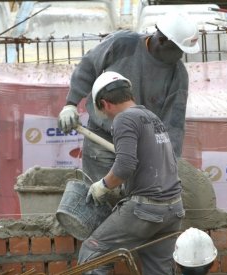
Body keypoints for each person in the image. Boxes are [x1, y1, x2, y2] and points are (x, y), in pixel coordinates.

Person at [57, 11, 199, 197]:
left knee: (132, 205)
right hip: (102, 137)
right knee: (97, 199)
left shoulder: (177, 76)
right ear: (162, 40)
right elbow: (88, 67)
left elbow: (173, 126)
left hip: (141, 148)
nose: (181, 56)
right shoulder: (123, 44)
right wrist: (70, 104)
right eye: (178, 49)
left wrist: (167, 165)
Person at [78, 71, 185, 275]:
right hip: (173, 210)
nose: (107, 117)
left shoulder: (123, 119)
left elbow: (125, 165)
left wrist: (103, 185)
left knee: (92, 251)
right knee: (159, 269)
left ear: (105, 103)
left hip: (146, 209)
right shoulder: (151, 117)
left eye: (104, 112)